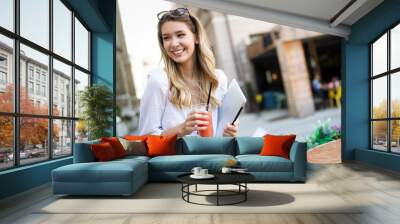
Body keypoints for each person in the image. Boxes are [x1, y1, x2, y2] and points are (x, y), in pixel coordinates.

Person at [139, 8, 239, 137]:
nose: (174, 44)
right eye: (166, 38)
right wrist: (181, 129)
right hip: (180, 157)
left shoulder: (218, 79)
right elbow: (146, 139)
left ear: (196, 37)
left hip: (214, 156)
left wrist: (229, 131)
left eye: (180, 35)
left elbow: (219, 133)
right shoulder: (159, 81)